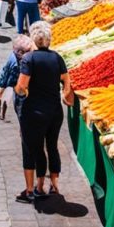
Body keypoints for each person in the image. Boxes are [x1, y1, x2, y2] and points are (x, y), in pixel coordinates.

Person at [14, 22, 72, 202]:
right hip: (55, 112)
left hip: (34, 113)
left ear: (34, 39)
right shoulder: (57, 58)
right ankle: (54, 185)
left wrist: (20, 91)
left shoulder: (28, 59)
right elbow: (67, 83)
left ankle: (33, 189)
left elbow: (22, 86)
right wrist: (64, 95)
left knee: (32, 149)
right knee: (52, 146)